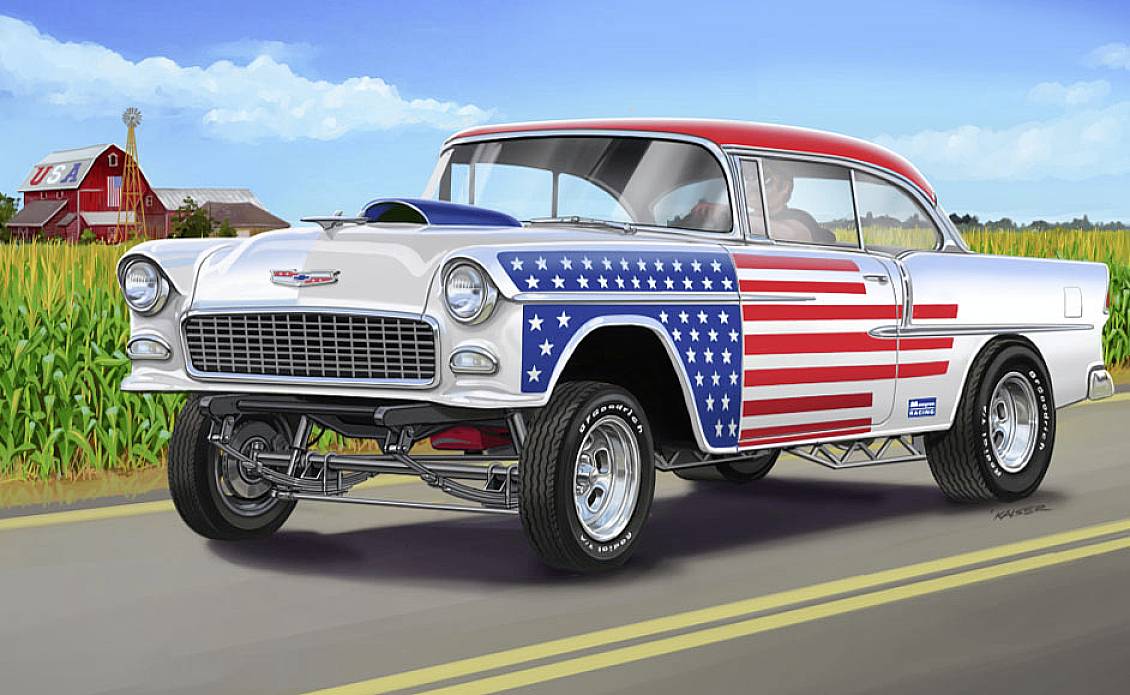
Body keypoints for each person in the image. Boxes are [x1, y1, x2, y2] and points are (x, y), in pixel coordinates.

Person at [761, 167, 837, 244]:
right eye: (749, 178)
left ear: (785, 187)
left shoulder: (802, 218)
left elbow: (790, 234)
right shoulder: (749, 217)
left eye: (765, 179)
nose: (752, 184)